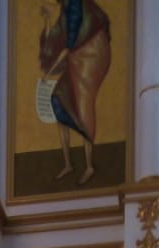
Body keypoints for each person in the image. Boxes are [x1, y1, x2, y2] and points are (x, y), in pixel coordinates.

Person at [39, 0, 112, 185]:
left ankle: (89, 166)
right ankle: (68, 164)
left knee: (82, 106)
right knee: (58, 99)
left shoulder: (75, 7)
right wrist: (47, 21)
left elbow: (67, 48)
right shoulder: (67, 7)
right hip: (76, 59)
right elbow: (55, 39)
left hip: (90, 57)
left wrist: (49, 72)